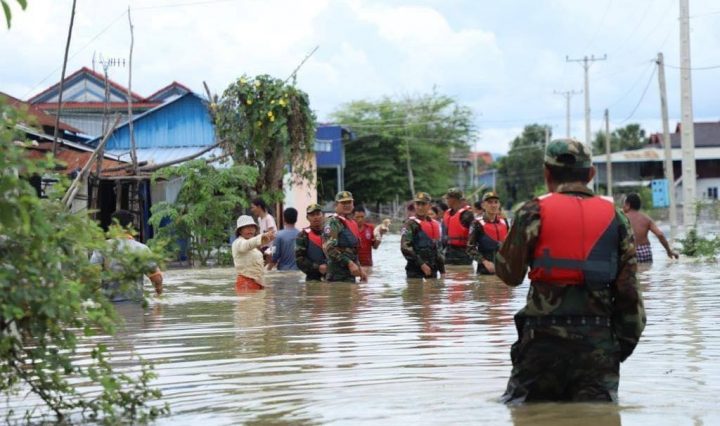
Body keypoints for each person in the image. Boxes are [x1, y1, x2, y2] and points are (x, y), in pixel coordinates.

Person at [495, 139, 646, 403]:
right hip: (597, 344)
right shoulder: (616, 217)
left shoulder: (532, 211)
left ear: (546, 173)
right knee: (597, 417)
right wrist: (616, 348)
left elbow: (510, 274)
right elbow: (629, 292)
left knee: (528, 414)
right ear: (591, 173)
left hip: (541, 343)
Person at [90, 210, 163, 302]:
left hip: (110, 305)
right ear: (131, 228)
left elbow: (91, 277)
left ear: (112, 226)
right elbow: (157, 279)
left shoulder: (102, 248)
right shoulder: (142, 249)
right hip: (136, 304)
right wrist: (158, 295)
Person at [322, 191, 367, 282]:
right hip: (336, 276)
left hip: (350, 274)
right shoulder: (333, 222)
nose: (347, 205)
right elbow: (329, 248)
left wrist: (359, 267)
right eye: (343, 202)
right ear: (336, 204)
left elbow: (353, 251)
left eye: (349, 202)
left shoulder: (352, 223)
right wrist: (349, 263)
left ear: (353, 204)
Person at [622, 192, 679, 263]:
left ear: (628, 204)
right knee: (646, 269)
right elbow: (660, 235)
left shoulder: (622, 218)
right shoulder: (646, 219)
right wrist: (669, 251)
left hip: (629, 251)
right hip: (645, 252)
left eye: (624, 204)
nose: (623, 206)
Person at [400, 192, 444, 279]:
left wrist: (442, 271)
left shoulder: (434, 224)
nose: (420, 207)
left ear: (429, 206)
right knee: (415, 287)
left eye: (423, 204)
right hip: (415, 271)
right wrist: (422, 264)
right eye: (418, 204)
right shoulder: (410, 224)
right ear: (414, 205)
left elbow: (438, 249)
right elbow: (405, 247)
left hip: (432, 270)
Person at [467, 191, 510, 275]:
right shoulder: (477, 223)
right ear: (483, 205)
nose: (493, 205)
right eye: (490, 202)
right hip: (485, 271)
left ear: (499, 205)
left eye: (496, 202)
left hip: (504, 271)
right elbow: (470, 249)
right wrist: (485, 262)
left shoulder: (504, 222)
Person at [232, 215, 275, 291]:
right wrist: (261, 237)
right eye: (246, 227)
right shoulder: (238, 243)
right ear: (240, 231)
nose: (250, 229)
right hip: (245, 283)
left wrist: (266, 260)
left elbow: (255, 268)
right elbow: (247, 245)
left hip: (257, 283)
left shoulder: (254, 248)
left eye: (252, 227)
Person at [442, 187, 475, 265]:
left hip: (463, 253)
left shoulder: (467, 215)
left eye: (447, 198)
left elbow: (473, 237)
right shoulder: (448, 213)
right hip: (449, 252)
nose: (446, 201)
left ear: (453, 199)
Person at [295, 204, 328, 281]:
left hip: (332, 278)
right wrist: (318, 268)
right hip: (313, 278)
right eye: (312, 215)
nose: (316, 217)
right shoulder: (303, 235)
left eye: (318, 214)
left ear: (323, 215)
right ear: (307, 218)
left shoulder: (331, 232)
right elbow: (299, 260)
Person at [250, 198, 277, 262]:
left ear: (259, 207)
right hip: (264, 247)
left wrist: (259, 244)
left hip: (271, 248)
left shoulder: (268, 218)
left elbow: (272, 236)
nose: (252, 210)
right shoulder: (259, 219)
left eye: (253, 207)